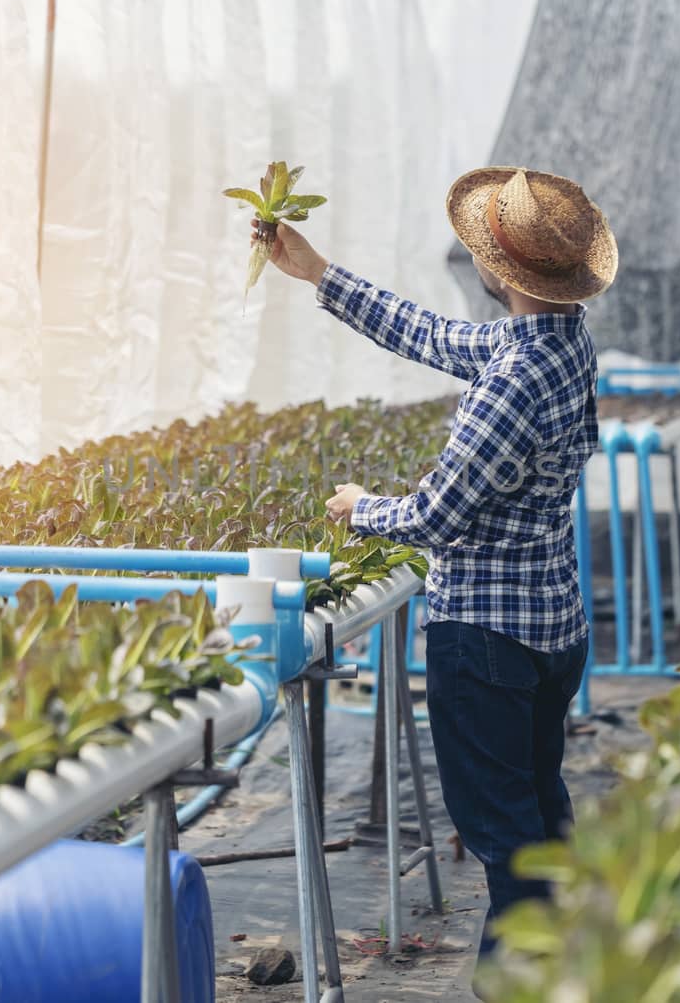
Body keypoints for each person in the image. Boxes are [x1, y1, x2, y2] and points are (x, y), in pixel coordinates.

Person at [253, 166, 617, 962]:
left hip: (486, 637)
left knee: (498, 817)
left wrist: (361, 507)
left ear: (498, 271)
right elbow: (428, 333)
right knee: (538, 798)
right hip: (551, 626)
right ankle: (554, 949)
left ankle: (519, 971)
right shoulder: (562, 344)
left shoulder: (513, 382)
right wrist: (317, 272)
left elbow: (436, 515)